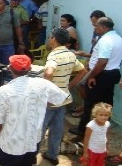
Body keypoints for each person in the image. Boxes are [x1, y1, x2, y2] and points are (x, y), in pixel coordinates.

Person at [0, 55, 68, 166]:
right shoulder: (43, 84)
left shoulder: (3, 91)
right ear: (30, 69)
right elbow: (59, 99)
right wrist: (42, 101)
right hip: (33, 141)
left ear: (10, 68)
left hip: (10, 144)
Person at [69, 17, 122, 136]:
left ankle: (83, 130)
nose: (95, 28)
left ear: (104, 27)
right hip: (113, 73)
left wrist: (91, 76)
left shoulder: (106, 40)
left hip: (103, 74)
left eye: (96, 26)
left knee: (91, 102)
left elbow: (102, 62)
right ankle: (103, 126)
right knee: (106, 102)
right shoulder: (119, 39)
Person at [40, 28, 87, 165]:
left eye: (50, 37)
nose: (49, 39)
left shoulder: (54, 56)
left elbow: (48, 73)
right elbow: (82, 71)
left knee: (40, 128)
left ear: (54, 39)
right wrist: (70, 85)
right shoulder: (70, 54)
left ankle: (32, 154)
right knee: (57, 128)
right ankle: (52, 155)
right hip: (63, 97)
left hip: (50, 100)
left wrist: (46, 90)